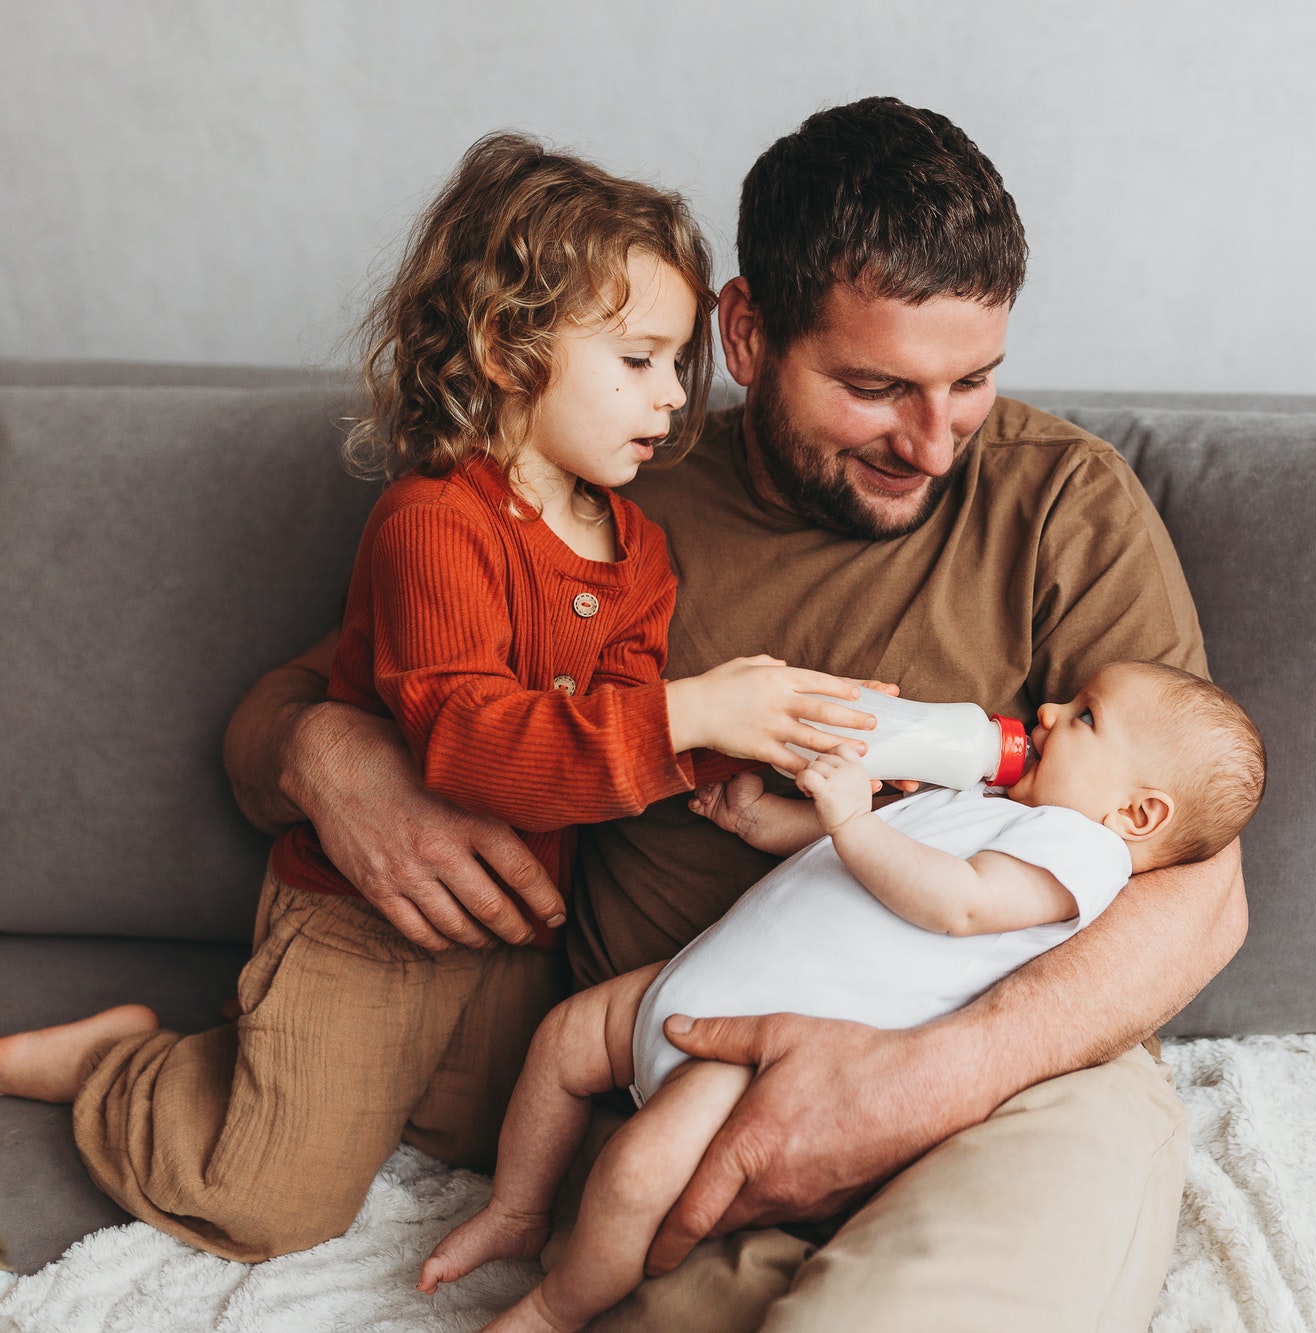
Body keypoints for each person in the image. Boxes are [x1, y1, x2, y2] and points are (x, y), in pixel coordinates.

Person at [226, 98, 1249, 1330]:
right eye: (876, 388)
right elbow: (306, 705)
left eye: (970, 381)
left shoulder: (1061, 506)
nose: (932, 445)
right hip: (682, 1106)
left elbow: (1200, 888)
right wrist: (324, 757)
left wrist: (918, 1082)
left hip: (1009, 1090)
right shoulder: (603, 495)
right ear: (749, 332)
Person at [0, 132, 883, 1261]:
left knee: (484, 1139)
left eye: (677, 363)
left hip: (518, 926)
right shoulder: (433, 524)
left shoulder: (637, 548)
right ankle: (121, 1066)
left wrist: (780, 740)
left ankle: (269, 1056)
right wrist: (694, 711)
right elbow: (472, 743)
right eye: (637, 359)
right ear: (511, 350)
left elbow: (610, 750)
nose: (672, 396)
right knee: (270, 1201)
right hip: (363, 920)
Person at [421, 662, 1267, 1333]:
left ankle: (557, 1307)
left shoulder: (1082, 854)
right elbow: (865, 842)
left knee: (637, 1172)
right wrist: (771, 822)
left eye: (1084, 715)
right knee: (564, 1036)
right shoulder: (992, 798)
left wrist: (853, 821)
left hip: (754, 1043)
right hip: (701, 980)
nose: (1046, 711)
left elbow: (959, 899)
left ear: (1140, 812)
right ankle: (517, 1207)